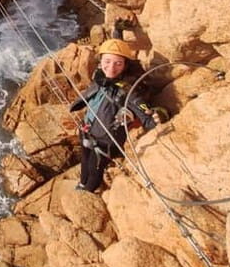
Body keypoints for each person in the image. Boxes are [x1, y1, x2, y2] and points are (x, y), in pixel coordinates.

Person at [69, 32, 161, 192]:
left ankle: (85, 192)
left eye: (118, 63)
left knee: (94, 173)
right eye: (107, 61)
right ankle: (82, 183)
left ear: (125, 65)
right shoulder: (100, 77)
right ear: (100, 62)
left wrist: (158, 117)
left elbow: (145, 115)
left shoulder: (128, 91)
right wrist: (118, 30)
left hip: (104, 143)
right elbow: (114, 45)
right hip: (86, 130)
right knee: (84, 162)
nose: (111, 68)